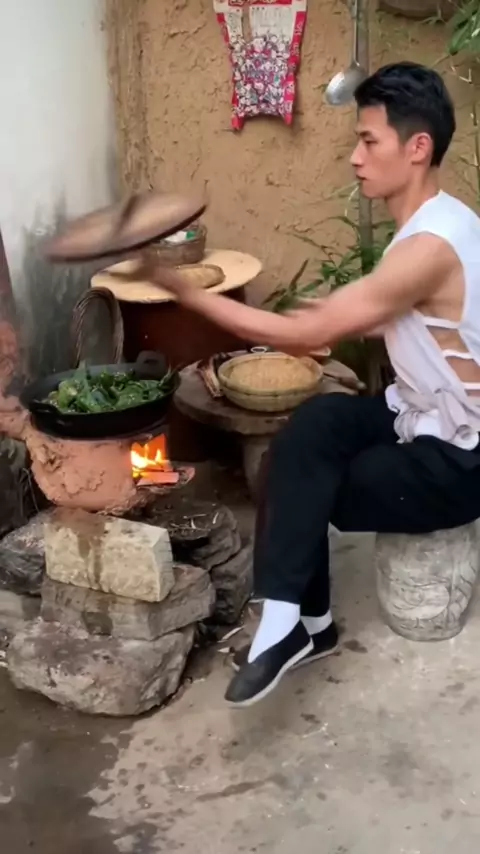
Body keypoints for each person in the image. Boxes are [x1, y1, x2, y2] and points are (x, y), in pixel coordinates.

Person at [150, 62, 480, 708]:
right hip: (417, 412)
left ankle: (293, 627)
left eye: (368, 141)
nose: (355, 157)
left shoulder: (430, 247)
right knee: (311, 430)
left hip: (461, 457)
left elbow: (309, 334)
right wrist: (334, 316)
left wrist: (182, 291)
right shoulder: (441, 221)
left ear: (417, 148)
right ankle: (301, 624)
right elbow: (387, 315)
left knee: (315, 482)